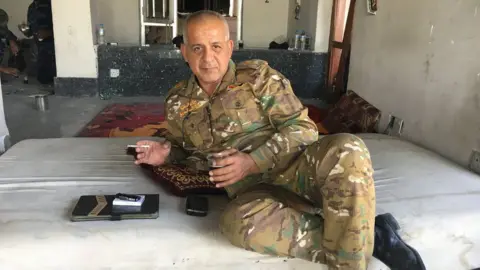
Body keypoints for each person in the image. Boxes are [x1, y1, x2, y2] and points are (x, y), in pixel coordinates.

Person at [134, 10, 425, 270]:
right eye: (197, 48)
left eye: (216, 47)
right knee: (236, 224)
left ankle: (349, 262)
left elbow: (303, 128)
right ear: (184, 52)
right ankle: (367, 235)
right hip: (253, 192)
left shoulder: (258, 78)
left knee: (348, 148)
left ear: (230, 48)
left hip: (297, 169)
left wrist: (252, 161)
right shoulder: (177, 101)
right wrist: (165, 154)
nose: (208, 59)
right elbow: (184, 149)